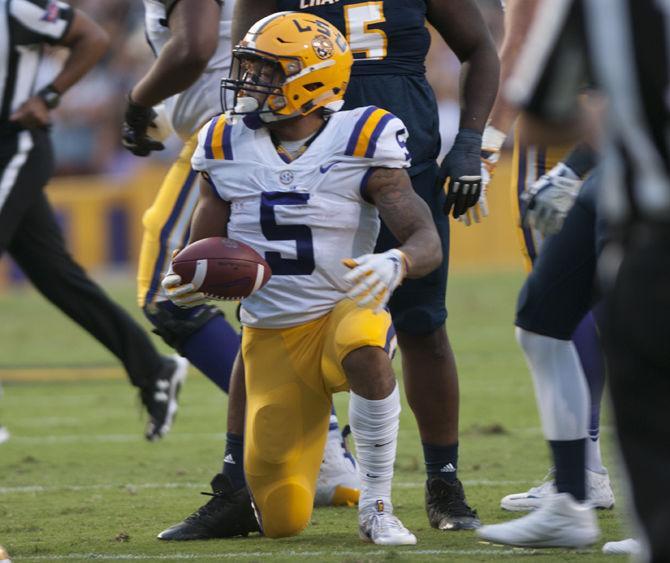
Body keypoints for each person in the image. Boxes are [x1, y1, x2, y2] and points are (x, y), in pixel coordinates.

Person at [185, 0, 499, 534]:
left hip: (398, 159)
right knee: (260, 319)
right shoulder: (235, 125)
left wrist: (471, 143)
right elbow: (249, 56)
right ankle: (241, 483)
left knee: (420, 323)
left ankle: (441, 482)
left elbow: (479, 47)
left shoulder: (377, 134)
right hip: (288, 146)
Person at [123, 0, 361, 539]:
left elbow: (194, 47)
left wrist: (137, 102)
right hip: (234, 125)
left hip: (236, 133)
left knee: (173, 288)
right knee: (263, 303)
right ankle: (317, 449)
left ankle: (320, 445)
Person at [480, 0, 670, 558]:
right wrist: (577, 168)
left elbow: (543, 105)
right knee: (540, 322)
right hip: (622, 185)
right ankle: (571, 497)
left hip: (646, 215)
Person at [0, 0, 187, 441]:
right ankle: (152, 368)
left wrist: (48, 96)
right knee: (57, 276)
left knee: (57, 276)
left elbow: (92, 35)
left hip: (15, 144)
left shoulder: (17, 8)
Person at [480, 0, 613, 512]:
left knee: (555, 303)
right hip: (627, 118)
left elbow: (523, 43)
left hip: (579, 121)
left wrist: (488, 138)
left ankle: (581, 472)